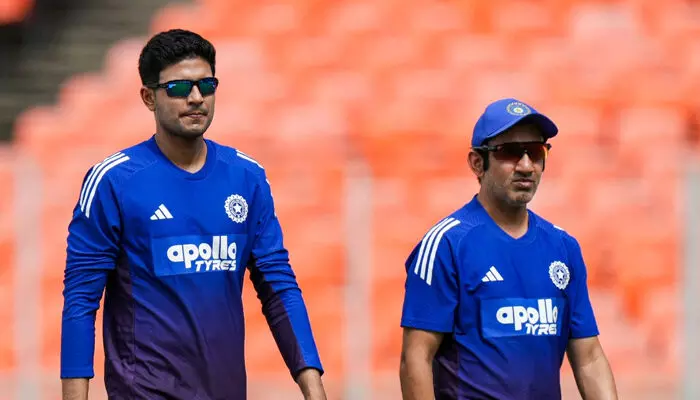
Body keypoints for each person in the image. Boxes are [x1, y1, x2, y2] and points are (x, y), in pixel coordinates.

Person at [60, 29, 326, 400]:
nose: (197, 97)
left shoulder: (246, 176)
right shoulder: (113, 181)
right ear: (149, 97)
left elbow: (279, 288)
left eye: (207, 85)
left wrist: (313, 388)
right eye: (180, 88)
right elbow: (81, 300)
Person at [398, 98, 618, 400]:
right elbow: (415, 357)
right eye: (511, 152)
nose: (526, 166)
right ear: (477, 163)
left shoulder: (563, 247)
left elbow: (589, 357)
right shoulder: (447, 244)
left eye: (536, 152)